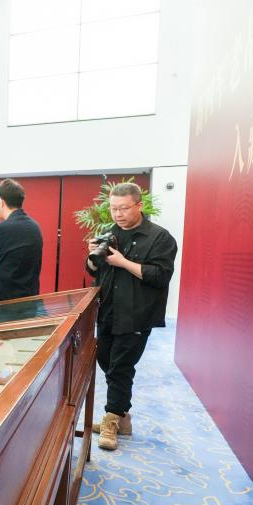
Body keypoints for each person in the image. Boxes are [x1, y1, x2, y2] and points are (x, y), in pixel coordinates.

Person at [86, 182, 177, 451]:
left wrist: (123, 262)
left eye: (124, 208)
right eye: (113, 208)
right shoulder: (109, 233)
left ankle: (112, 419)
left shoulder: (160, 237)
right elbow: (94, 271)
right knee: (106, 360)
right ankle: (123, 418)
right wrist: (92, 257)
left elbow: (160, 276)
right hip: (107, 309)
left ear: (139, 205)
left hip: (136, 313)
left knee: (121, 367)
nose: (118, 214)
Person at [0, 178, 43, 303]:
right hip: (30, 298)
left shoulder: (1, 228)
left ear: (1, 201)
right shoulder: (35, 227)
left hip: (3, 301)